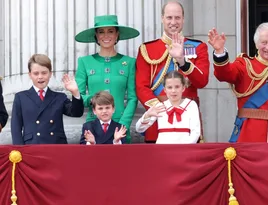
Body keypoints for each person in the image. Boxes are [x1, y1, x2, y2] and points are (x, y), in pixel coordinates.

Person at [208, 22, 268, 143]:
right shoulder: (244, 65)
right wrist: (220, 52)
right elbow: (224, 74)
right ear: (256, 44)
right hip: (248, 137)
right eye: (264, 42)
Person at [135, 1, 209, 143]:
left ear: (183, 19)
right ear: (162, 18)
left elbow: (202, 81)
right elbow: (141, 87)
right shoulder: (147, 49)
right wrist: (161, 110)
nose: (173, 22)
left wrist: (182, 61)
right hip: (158, 121)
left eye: (177, 17)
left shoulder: (198, 47)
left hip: (187, 119)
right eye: (169, 18)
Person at [75, 15, 139, 143]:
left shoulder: (129, 62)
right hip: (93, 125)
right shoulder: (84, 62)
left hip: (120, 127)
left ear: (117, 35)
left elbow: (133, 98)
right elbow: (78, 96)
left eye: (110, 31)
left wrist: (123, 124)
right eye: (101, 32)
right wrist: (94, 99)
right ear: (96, 36)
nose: (106, 36)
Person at [11, 54, 84, 144]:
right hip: (32, 146)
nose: (40, 76)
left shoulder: (59, 97)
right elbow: (16, 127)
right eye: (36, 73)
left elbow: (77, 113)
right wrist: (19, 150)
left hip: (56, 146)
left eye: (44, 73)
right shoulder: (21, 97)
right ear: (30, 75)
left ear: (50, 74)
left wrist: (75, 92)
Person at [135, 71, 200, 144]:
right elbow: (139, 129)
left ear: (183, 88)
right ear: (165, 90)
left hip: (184, 150)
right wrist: (147, 115)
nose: (173, 91)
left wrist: (184, 149)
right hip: (162, 151)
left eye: (177, 87)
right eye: (169, 87)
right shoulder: (160, 106)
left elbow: (196, 132)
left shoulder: (191, 105)